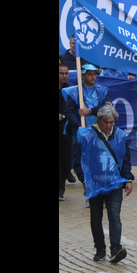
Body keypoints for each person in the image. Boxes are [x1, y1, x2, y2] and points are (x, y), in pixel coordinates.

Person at [78, 104, 134, 263]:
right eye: (106, 122)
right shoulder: (88, 135)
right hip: (95, 185)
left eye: (112, 122)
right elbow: (80, 161)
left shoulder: (120, 135)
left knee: (114, 216)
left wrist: (128, 179)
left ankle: (115, 248)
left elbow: (125, 159)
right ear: (99, 120)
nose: (109, 126)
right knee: (96, 218)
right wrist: (84, 179)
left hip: (115, 184)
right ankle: (100, 248)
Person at [63, 64, 112, 184]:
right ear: (83, 75)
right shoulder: (75, 92)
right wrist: (79, 127)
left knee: (100, 160)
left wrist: (89, 111)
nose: (93, 77)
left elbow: (107, 108)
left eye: (94, 74)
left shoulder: (102, 91)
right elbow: (68, 112)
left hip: (100, 132)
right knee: (81, 161)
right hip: (81, 133)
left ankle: (98, 188)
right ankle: (86, 185)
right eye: (89, 74)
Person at [59, 62, 74, 200]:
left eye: (66, 73)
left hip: (65, 131)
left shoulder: (70, 90)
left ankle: (63, 181)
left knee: (65, 160)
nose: (64, 76)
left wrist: (62, 116)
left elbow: (72, 111)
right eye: (61, 73)